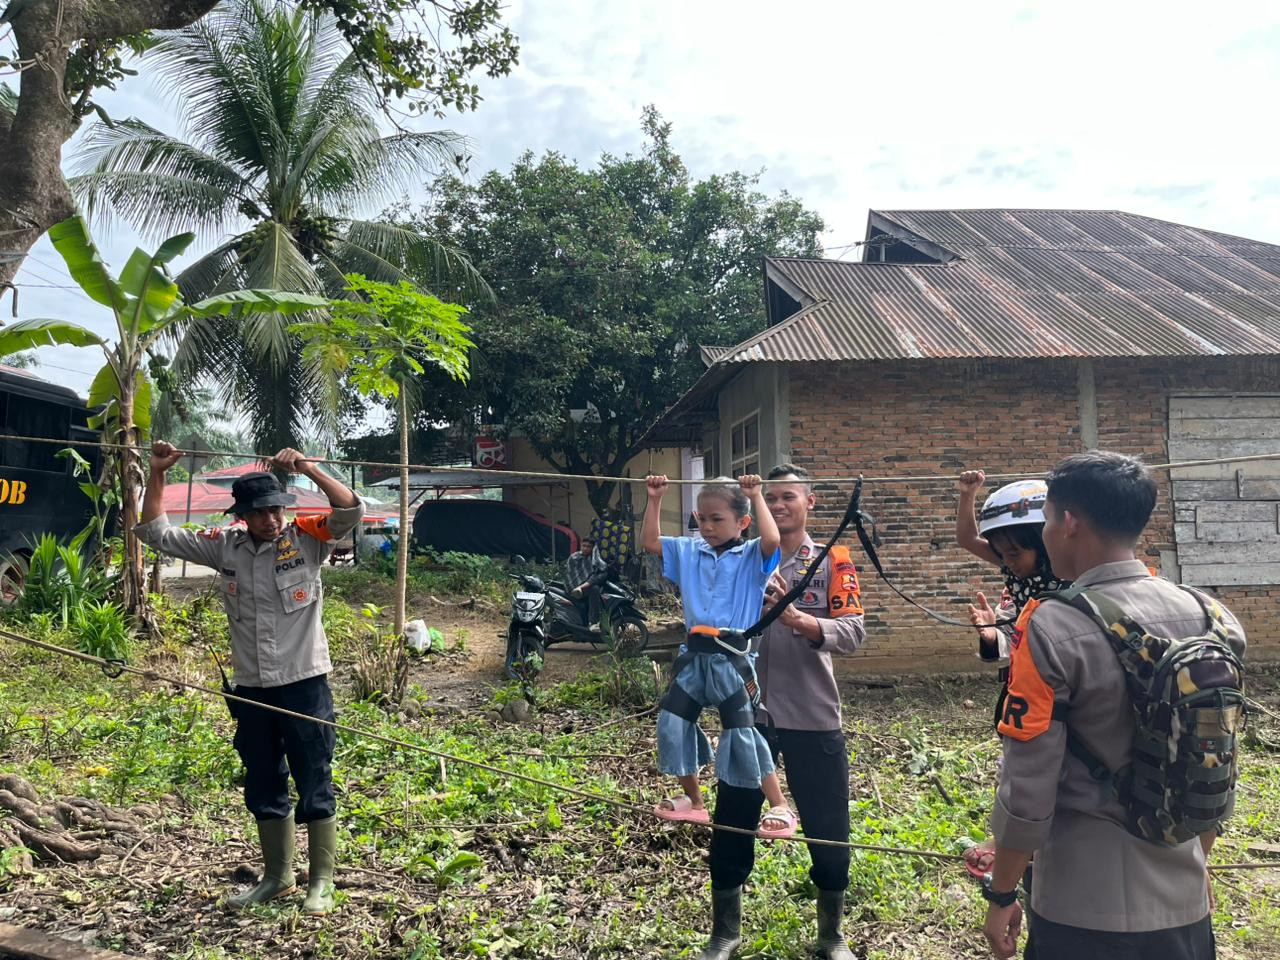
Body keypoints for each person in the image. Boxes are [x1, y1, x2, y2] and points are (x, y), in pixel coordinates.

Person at [980, 451, 1246, 960]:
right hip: (1186, 903)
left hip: (1084, 910)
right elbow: (1216, 757)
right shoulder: (1213, 617)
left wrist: (1002, 892)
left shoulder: (1051, 628)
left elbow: (1029, 789)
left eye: (1049, 520)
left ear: (1070, 522)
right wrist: (1196, 863)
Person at [136, 441, 365, 915]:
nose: (270, 519)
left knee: (314, 775)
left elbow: (349, 511)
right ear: (242, 515)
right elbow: (154, 532)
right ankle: (277, 877)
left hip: (304, 683)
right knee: (262, 777)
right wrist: (157, 473)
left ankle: (320, 881)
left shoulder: (307, 538)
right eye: (260, 513)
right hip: (252, 688)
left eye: (275, 510)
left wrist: (307, 468)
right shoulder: (225, 549)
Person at [701, 464, 866, 960]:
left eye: (788, 497)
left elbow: (854, 633)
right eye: (768, 498)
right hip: (746, 716)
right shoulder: (740, 560)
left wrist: (800, 621)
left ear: (809, 503)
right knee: (731, 819)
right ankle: (725, 933)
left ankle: (831, 936)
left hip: (813, 715)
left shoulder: (834, 560)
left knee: (828, 824)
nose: (777, 505)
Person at [641, 474, 797, 855]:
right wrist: (655, 498)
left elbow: (773, 540)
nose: (707, 527)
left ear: (742, 522)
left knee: (742, 731)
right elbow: (650, 542)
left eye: (717, 519)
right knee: (673, 723)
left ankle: (779, 803)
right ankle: (694, 802)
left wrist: (755, 496)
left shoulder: (751, 557)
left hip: (732, 662)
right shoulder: (690, 551)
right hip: (693, 660)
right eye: (702, 519)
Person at [955, 470, 1072, 887]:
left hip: (1061, 672)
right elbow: (968, 540)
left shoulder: (1066, 573)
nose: (1005, 560)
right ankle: (1012, 841)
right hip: (1023, 669)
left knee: (1049, 755)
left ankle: (1033, 846)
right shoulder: (1014, 562)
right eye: (1001, 552)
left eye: (1014, 553)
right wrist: (969, 495)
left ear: (1044, 543)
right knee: (1015, 752)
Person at [564, 536, 607, 624]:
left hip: (585, 586)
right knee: (594, 589)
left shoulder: (594, 558)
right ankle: (593, 622)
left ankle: (581, 587)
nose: (585, 548)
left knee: (602, 575)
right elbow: (570, 575)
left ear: (592, 548)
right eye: (584, 546)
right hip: (573, 588)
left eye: (588, 547)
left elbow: (603, 568)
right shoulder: (574, 557)